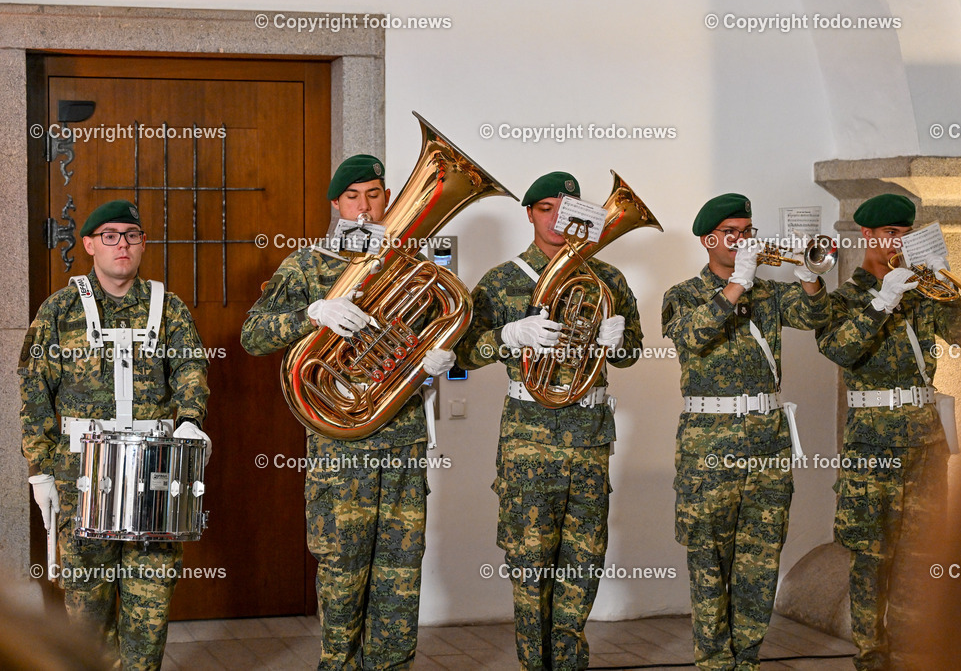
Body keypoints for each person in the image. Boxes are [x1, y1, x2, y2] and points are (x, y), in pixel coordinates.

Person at [241, 154, 455, 669]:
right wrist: (312, 312)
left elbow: (446, 332)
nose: (365, 206)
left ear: (390, 200)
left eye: (375, 194)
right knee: (343, 578)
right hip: (341, 449)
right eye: (353, 196)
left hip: (402, 443)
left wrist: (440, 357)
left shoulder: (409, 265)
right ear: (336, 204)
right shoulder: (306, 265)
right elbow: (252, 336)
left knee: (401, 578)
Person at [454, 171, 643, 670]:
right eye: (545, 210)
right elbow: (464, 353)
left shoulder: (609, 279)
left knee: (583, 565)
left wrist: (618, 339)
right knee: (530, 567)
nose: (557, 221)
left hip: (589, 437)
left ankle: (570, 664)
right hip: (528, 442)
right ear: (530, 214)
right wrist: (509, 335)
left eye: (568, 211)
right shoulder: (502, 279)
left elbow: (633, 354)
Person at [19, 199, 211, 670]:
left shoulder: (169, 308)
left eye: (131, 235)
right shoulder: (59, 310)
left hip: (155, 478)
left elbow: (191, 367)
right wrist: (40, 470)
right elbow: (34, 390)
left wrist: (190, 419)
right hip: (81, 480)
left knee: (148, 615)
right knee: (87, 621)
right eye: (109, 236)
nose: (121, 245)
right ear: (89, 245)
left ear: (143, 243)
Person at [661, 193, 830, 670]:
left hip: (768, 438)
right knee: (709, 555)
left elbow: (817, 318)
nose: (741, 238)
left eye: (747, 230)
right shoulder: (683, 294)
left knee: (761, 555)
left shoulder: (770, 293)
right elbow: (694, 337)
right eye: (731, 231)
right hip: (708, 441)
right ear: (708, 239)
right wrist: (737, 282)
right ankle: (715, 661)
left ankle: (748, 658)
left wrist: (810, 274)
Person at [815, 193, 961, 670]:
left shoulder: (923, 292)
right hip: (872, 443)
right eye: (890, 234)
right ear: (867, 236)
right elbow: (840, 350)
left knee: (921, 549)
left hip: (926, 442)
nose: (899, 241)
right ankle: (871, 656)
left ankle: (912, 652)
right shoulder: (847, 298)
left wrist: (947, 284)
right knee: (871, 554)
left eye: (905, 233)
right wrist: (882, 300)